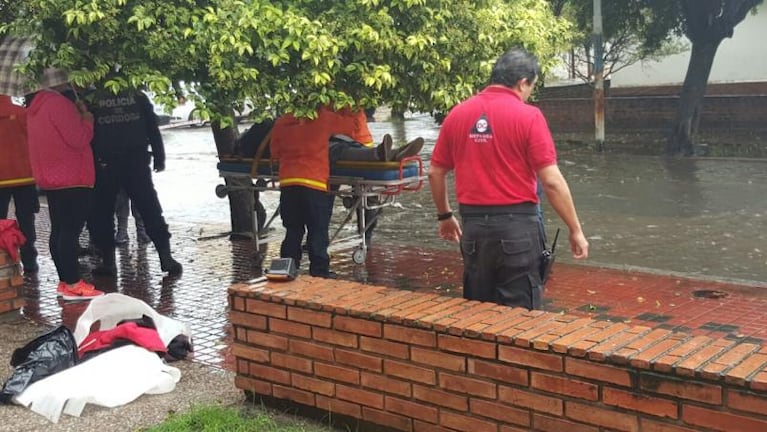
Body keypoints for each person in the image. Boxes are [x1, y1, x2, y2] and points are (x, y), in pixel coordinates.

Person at [428, 48, 589, 310]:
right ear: (523, 81)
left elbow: (435, 172)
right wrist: (575, 229)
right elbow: (551, 181)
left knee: (478, 313)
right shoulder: (528, 116)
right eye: (530, 87)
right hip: (517, 230)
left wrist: (445, 217)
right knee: (521, 319)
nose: (528, 94)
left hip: (474, 230)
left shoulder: (458, 114)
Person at [25, 68, 104, 300]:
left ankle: (65, 281)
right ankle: (73, 283)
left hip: (51, 177)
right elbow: (78, 138)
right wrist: (87, 120)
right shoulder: (58, 104)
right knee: (69, 231)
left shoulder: (35, 107)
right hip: (72, 177)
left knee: (59, 230)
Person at [88, 88, 182, 276]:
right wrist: (159, 156)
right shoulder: (136, 95)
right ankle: (166, 257)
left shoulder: (93, 98)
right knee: (149, 208)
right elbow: (152, 127)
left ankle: (108, 262)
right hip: (135, 161)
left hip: (106, 163)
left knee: (103, 213)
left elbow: (88, 134)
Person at [0, 95, 39, 274]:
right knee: (26, 218)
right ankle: (29, 259)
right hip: (24, 175)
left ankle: (4, 258)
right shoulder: (23, 113)